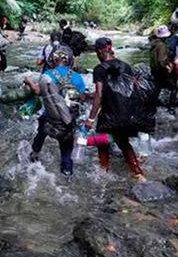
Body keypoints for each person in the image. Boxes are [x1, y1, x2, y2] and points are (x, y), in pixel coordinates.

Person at [84, 37, 146, 181]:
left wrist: (91, 119)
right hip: (127, 112)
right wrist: (88, 95)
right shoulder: (126, 66)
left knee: (101, 142)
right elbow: (124, 89)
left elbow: (100, 93)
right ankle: (138, 173)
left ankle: (103, 173)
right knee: (123, 142)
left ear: (99, 51)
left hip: (110, 114)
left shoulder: (99, 69)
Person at [24, 45, 86, 176]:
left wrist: (29, 82)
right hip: (67, 122)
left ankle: (34, 156)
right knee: (66, 151)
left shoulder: (47, 75)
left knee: (40, 132)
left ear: (52, 60)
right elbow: (82, 98)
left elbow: (38, 92)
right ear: (69, 60)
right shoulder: (77, 77)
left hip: (50, 120)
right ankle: (67, 174)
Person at [150, 25, 178, 111]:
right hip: (161, 71)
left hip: (154, 70)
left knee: (157, 88)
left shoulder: (154, 44)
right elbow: (161, 61)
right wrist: (168, 67)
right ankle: (171, 107)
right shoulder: (162, 46)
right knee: (174, 88)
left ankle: (152, 105)